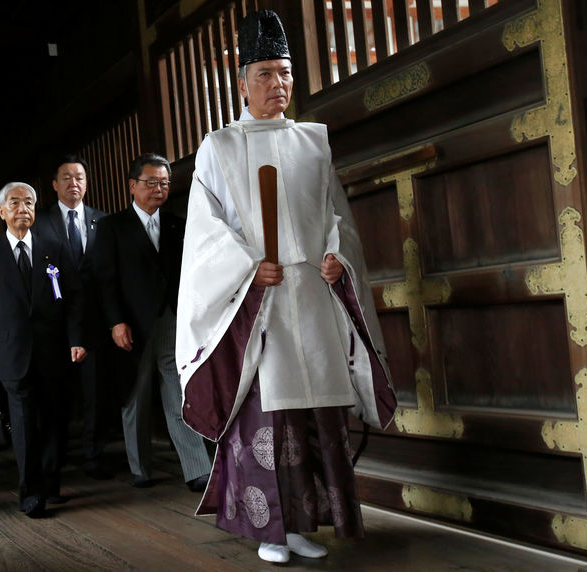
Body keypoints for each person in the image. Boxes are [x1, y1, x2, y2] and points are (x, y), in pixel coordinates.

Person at [175, 10, 398, 564]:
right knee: (270, 423)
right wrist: (249, 267)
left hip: (310, 299)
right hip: (260, 307)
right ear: (243, 83)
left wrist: (334, 255)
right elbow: (205, 232)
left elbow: (335, 215)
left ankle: (306, 526)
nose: (279, 85)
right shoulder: (218, 148)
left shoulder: (313, 144)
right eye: (267, 75)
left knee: (317, 419)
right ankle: (271, 532)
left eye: (285, 73)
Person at [94, 153, 211, 491]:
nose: (158, 189)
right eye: (151, 182)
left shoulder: (177, 223)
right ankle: (140, 468)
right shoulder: (111, 227)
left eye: (164, 182)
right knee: (137, 397)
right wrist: (116, 321)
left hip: (173, 321)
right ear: (132, 186)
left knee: (179, 395)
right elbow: (105, 280)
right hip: (131, 326)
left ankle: (196, 469)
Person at [0, 182, 85, 517]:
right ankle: (31, 492)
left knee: (53, 421)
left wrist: (76, 338)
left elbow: (74, 299)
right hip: (12, 354)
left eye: (30, 202)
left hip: (53, 352)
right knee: (23, 425)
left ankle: (50, 483)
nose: (23, 208)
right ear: (2, 211)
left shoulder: (55, 248)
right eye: (15, 202)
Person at [33, 153, 112, 480]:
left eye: (79, 177)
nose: (73, 183)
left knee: (94, 394)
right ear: (54, 185)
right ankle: (58, 457)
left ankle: (94, 456)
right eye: (66, 177)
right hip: (54, 323)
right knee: (57, 394)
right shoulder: (40, 221)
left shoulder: (103, 221)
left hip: (94, 322)